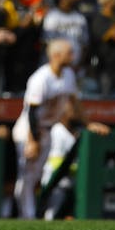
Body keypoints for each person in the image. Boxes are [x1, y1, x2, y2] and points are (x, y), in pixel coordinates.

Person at [11, 39, 108, 219]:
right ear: (55, 55)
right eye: (69, 52)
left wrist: (88, 123)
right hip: (29, 130)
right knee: (28, 177)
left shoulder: (68, 74)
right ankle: (27, 217)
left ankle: (29, 216)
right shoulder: (41, 77)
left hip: (47, 129)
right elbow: (32, 111)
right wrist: (32, 140)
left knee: (36, 176)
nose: (73, 55)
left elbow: (75, 102)